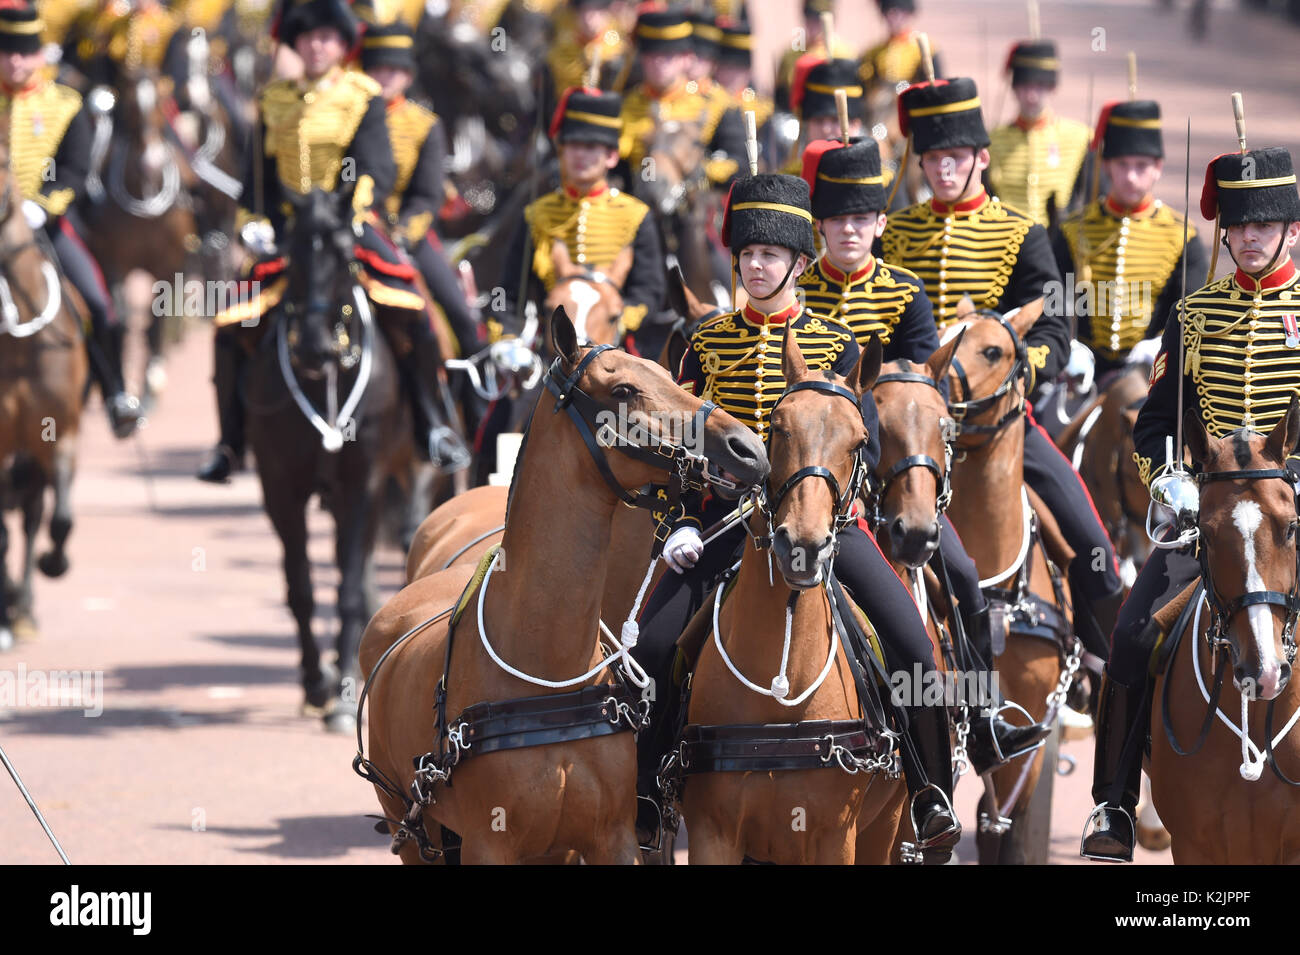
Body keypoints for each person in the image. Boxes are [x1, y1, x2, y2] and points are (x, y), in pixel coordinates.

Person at [634, 172, 1049, 862]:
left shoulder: (838, 343)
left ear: (801, 262)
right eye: (746, 253)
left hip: (827, 521)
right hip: (726, 523)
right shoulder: (703, 339)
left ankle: (928, 789)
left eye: (772, 254)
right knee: (650, 647)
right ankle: (649, 793)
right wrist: (680, 517)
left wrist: (835, 502)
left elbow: (865, 445)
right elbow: (680, 438)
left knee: (915, 646)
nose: (756, 265)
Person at [799, 135, 1051, 763]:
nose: (850, 232)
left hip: (885, 467)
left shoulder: (905, 292)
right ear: (819, 227)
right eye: (836, 220)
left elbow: (923, 383)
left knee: (961, 573)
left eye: (862, 219)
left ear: (880, 223)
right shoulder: (795, 293)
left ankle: (981, 713)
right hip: (804, 469)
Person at [1081, 145, 1300, 861]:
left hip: (1290, 519)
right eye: (1240, 225)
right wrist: (1171, 483)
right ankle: (1113, 804)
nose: (1253, 235)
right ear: (1226, 233)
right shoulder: (1195, 315)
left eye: (1266, 223)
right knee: (1135, 634)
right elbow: (1155, 426)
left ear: (1291, 229)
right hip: (1209, 521)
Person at [882, 76, 1126, 687]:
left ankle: (1104, 669)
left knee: (1090, 537)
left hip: (995, 414)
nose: (942, 170)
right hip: (910, 420)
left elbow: (1053, 332)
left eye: (955, 159)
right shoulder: (898, 231)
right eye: (933, 159)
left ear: (981, 159)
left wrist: (1017, 368)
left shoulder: (1021, 232)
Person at [196, 0, 469, 482]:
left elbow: (377, 166)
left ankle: (432, 425)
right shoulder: (272, 99)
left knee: (414, 308)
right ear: (297, 44)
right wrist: (251, 221)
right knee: (228, 322)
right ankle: (230, 443)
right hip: (286, 233)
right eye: (308, 38)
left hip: (348, 226)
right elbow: (255, 180)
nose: (317, 46)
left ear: (343, 46)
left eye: (327, 38)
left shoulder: (362, 96)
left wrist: (351, 210)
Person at [0, 1, 142, 438]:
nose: (16, 60)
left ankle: (116, 392)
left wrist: (43, 204)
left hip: (44, 226)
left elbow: (77, 170)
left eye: (25, 50)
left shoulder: (64, 103)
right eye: (6, 50)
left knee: (99, 302)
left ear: (40, 54)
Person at [1054, 100, 1208, 376]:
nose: (1131, 177)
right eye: (1122, 164)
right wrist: (1068, 343)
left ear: (1158, 167)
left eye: (1141, 165)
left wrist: (1162, 344)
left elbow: (1191, 309)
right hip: (1081, 370)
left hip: (1154, 369)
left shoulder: (1183, 235)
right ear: (1107, 165)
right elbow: (1054, 300)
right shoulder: (1072, 229)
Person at [361, 21, 483, 367]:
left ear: (408, 75)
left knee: (461, 315)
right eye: (378, 68)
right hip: (352, 229)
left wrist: (401, 235)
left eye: (394, 69)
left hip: (406, 233)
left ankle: (476, 405)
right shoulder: (345, 116)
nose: (386, 76)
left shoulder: (424, 124)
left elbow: (428, 195)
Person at [987, 40, 1091, 229]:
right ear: (1014, 88)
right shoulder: (992, 141)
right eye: (1025, 86)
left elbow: (1091, 198)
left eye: (1039, 86)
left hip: (1059, 241)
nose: (1031, 96)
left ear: (1052, 88)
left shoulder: (1079, 137)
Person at [782, 57, 869, 176]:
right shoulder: (792, 176)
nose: (826, 129)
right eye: (818, 121)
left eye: (835, 120)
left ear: (855, 125)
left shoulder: (879, 181)